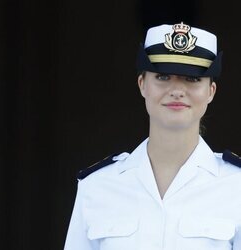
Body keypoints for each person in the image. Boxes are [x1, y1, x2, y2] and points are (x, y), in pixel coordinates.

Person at [63, 22, 241, 250]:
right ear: (142, 84)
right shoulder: (97, 186)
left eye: (193, 79)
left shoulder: (236, 187)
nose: (177, 90)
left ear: (211, 91)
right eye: (163, 77)